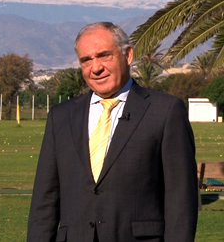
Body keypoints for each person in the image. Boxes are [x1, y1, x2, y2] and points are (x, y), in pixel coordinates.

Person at [27, 22, 198, 241]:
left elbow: (181, 199)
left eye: (104, 56)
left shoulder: (165, 112)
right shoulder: (61, 117)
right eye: (86, 60)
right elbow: (45, 201)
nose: (95, 68)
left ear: (127, 55)